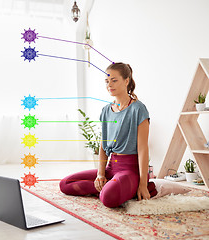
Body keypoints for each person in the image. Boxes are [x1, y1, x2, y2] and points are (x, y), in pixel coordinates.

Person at [59, 62, 157, 208]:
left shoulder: (138, 109)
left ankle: (126, 188)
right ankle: (113, 187)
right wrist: (100, 175)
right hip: (111, 168)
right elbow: (103, 145)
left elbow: (143, 149)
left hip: (130, 170)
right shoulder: (106, 110)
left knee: (108, 198)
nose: (109, 85)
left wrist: (143, 184)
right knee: (65, 184)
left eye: (114, 80)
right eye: (107, 81)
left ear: (126, 81)